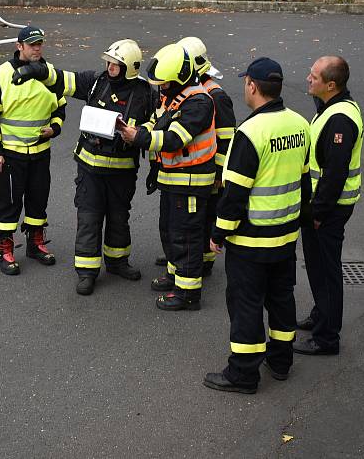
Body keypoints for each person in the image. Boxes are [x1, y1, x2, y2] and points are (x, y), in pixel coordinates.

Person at [203, 57, 311, 394]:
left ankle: (243, 374)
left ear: (252, 86)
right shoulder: (300, 124)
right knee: (281, 299)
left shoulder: (249, 133)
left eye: (245, 82)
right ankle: (280, 362)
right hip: (285, 235)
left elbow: (234, 194)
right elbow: (305, 183)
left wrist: (218, 234)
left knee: (246, 305)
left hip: (250, 242)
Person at [17, 39, 155, 295]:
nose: (108, 66)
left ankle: (117, 263)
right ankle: (87, 272)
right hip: (90, 170)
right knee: (89, 219)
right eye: (108, 62)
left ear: (128, 67)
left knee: (118, 218)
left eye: (114, 64)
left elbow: (155, 124)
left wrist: (137, 133)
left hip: (122, 173)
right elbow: (64, 80)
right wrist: (37, 70)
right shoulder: (96, 81)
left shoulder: (145, 93)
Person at [117, 43, 216, 311]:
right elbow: (157, 121)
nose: (160, 87)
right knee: (171, 231)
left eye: (165, 83)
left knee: (186, 237)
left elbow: (174, 139)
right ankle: (176, 276)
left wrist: (138, 138)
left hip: (191, 183)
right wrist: (136, 129)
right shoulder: (174, 96)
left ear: (179, 78)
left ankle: (187, 293)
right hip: (174, 180)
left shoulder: (198, 102)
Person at [0, 26, 66, 275]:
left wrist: (54, 128)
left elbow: (60, 111)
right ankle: (4, 248)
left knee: (38, 198)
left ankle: (35, 243)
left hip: (40, 152)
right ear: (19, 46)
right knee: (9, 202)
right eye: (32, 44)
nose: (37, 48)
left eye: (40, 43)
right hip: (9, 154)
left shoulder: (50, 75)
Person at [294, 56, 363, 356]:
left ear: (330, 84)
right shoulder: (331, 109)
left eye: (314, 76)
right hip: (322, 206)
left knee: (327, 270)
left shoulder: (339, 120)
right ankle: (322, 314)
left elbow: (334, 173)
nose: (308, 79)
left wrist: (318, 213)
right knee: (318, 266)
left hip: (329, 209)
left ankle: (327, 338)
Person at [178, 37, 236, 278]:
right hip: (197, 167)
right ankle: (188, 255)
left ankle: (204, 260)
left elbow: (226, 139)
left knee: (204, 216)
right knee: (192, 217)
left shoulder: (215, 95)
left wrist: (219, 174)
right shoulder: (193, 90)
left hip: (211, 171)